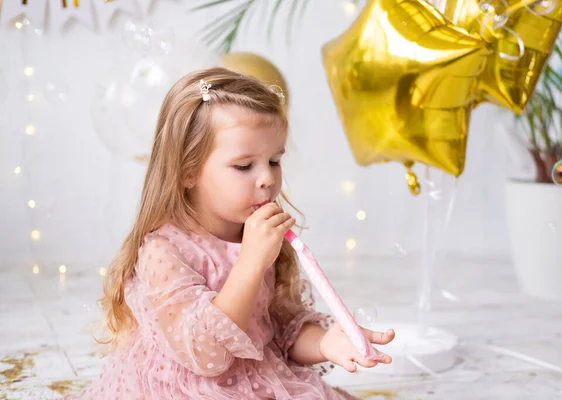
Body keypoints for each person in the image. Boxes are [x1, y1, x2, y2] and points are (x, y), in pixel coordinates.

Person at [66, 67, 395, 399]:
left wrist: (325, 342)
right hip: (189, 388)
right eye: (244, 166)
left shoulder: (256, 235)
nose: (267, 178)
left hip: (257, 379)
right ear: (187, 171)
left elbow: (280, 328)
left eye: (275, 160)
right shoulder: (164, 251)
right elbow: (208, 357)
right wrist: (250, 264)